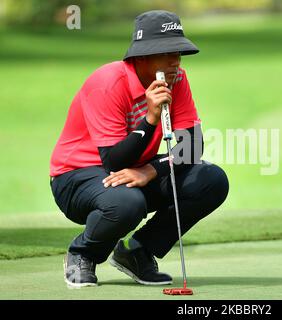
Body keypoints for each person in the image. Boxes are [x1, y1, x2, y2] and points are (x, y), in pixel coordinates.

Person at [49, 10, 229, 288]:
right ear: (142, 57)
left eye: (178, 53)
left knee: (210, 180)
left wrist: (152, 170)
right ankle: (82, 253)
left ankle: (136, 251)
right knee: (128, 203)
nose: (175, 62)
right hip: (76, 176)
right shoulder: (107, 82)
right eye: (167, 53)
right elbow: (113, 161)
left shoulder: (176, 80)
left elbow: (193, 146)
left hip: (135, 171)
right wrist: (150, 119)